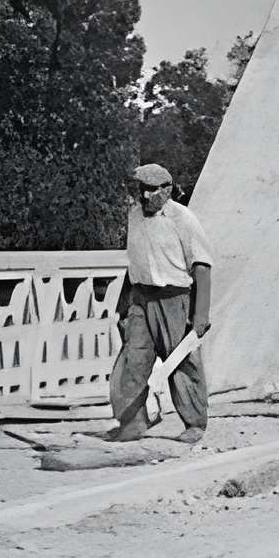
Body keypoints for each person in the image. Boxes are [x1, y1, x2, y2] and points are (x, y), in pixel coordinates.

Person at [111, 163, 215, 442]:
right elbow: (135, 262)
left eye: (151, 190)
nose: (145, 196)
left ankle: (194, 423)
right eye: (141, 190)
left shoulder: (183, 218)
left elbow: (202, 266)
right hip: (140, 297)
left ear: (167, 190)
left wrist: (201, 315)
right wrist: (123, 303)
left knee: (182, 363)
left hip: (174, 298)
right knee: (133, 360)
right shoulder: (134, 216)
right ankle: (132, 424)